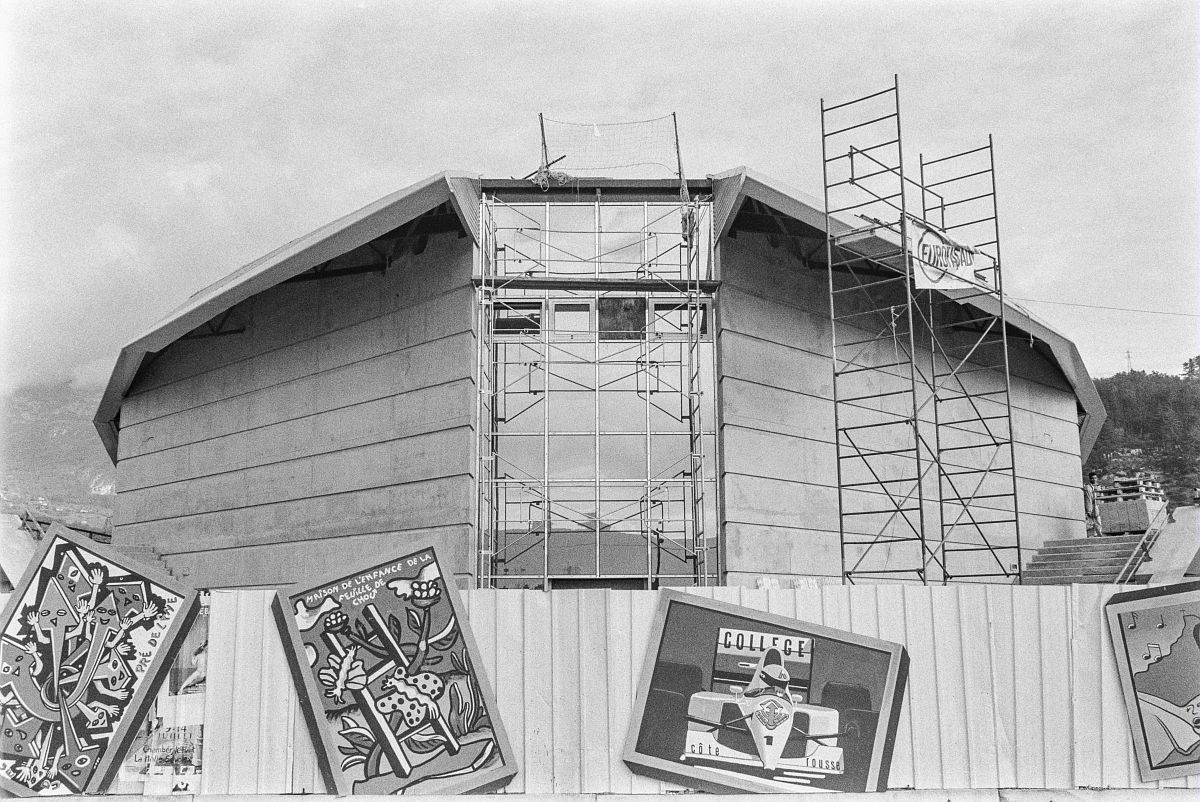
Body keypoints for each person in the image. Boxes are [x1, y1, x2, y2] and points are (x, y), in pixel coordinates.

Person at [1084, 472, 1103, 537]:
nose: (1094, 480)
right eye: (1092, 478)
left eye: (1095, 478)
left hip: (1095, 507)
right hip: (1091, 508)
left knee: (1097, 521)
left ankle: (1097, 535)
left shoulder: (1093, 487)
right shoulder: (1088, 488)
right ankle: (1094, 535)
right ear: (1089, 479)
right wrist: (1089, 511)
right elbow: (1088, 499)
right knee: (1092, 523)